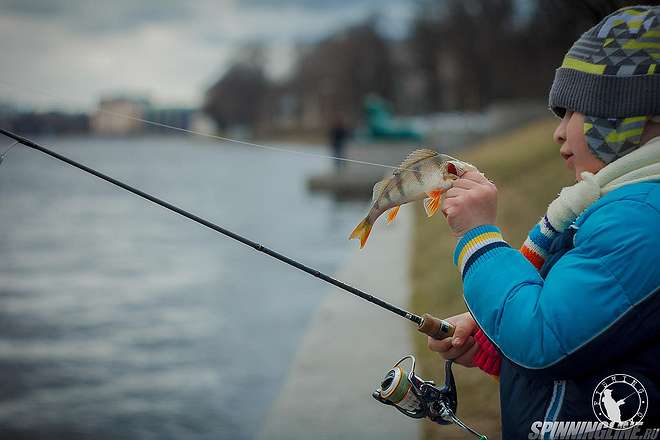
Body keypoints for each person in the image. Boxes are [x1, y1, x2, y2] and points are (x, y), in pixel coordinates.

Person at [428, 5, 660, 438]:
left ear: (633, 115)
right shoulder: (622, 206)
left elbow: (543, 336)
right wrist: (494, 336)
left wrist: (479, 238)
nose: (559, 132)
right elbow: (589, 333)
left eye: (574, 112)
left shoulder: (643, 219)